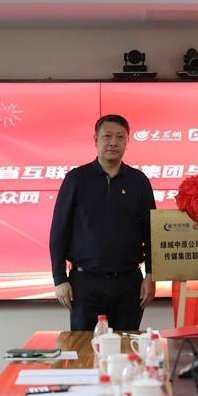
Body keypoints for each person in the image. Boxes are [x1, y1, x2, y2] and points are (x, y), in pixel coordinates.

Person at [49, 114, 157, 331]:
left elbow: (151, 232)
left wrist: (151, 275)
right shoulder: (76, 179)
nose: (113, 142)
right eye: (107, 136)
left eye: (120, 137)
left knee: (126, 344)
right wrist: (59, 279)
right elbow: (59, 231)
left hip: (129, 282)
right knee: (84, 346)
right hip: (85, 283)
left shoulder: (138, 181)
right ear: (95, 140)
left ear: (127, 141)